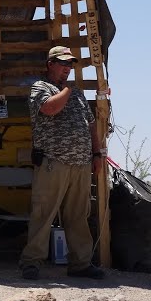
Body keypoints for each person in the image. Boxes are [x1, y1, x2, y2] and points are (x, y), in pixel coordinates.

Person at [19, 45, 106, 280]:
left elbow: (90, 126)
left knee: (78, 215)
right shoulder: (41, 88)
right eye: (64, 64)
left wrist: (97, 155)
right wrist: (67, 89)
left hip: (80, 164)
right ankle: (31, 262)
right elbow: (49, 108)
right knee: (43, 213)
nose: (68, 69)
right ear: (50, 64)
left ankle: (81, 263)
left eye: (70, 65)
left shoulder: (76, 94)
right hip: (52, 161)